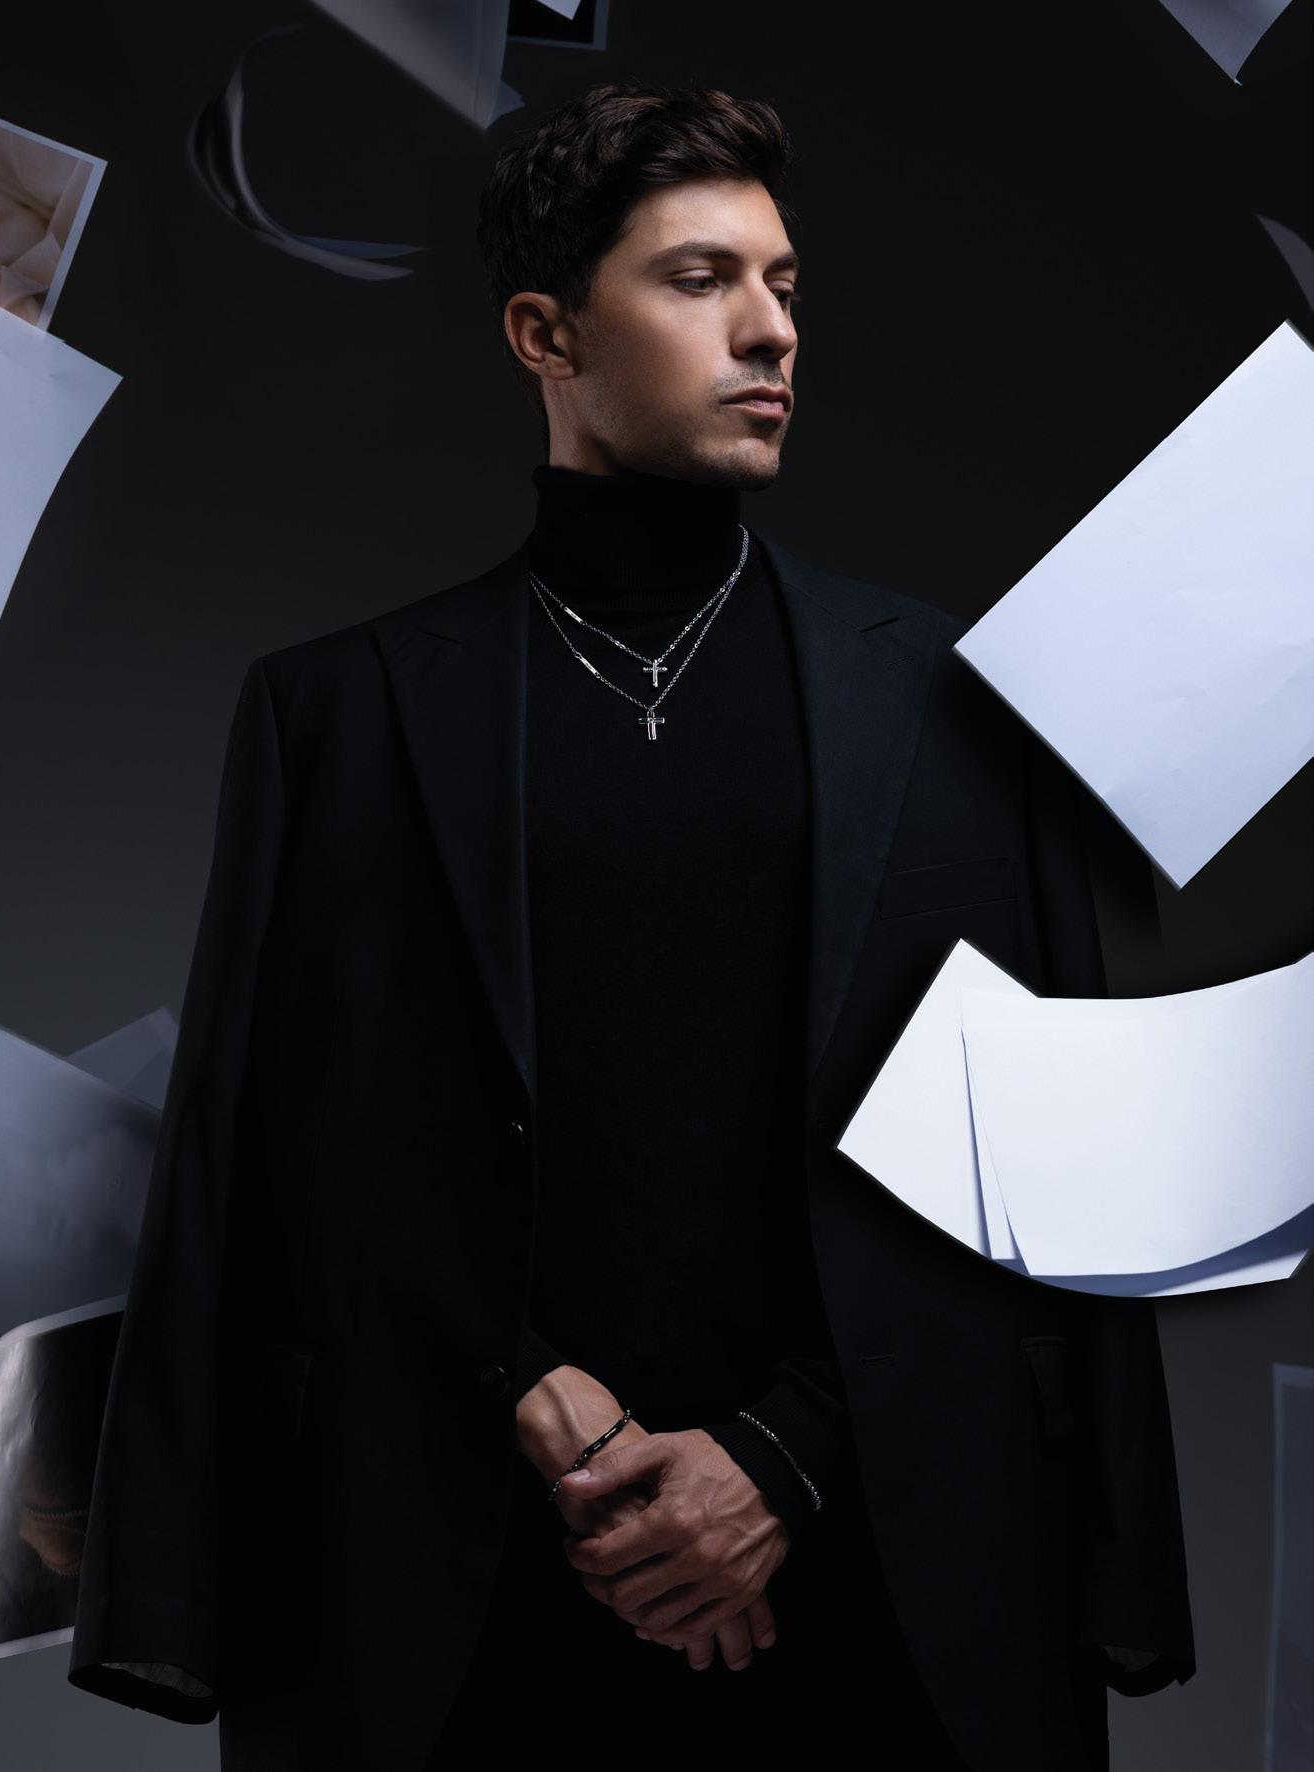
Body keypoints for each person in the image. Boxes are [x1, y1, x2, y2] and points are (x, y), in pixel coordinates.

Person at [67, 82, 1194, 1770]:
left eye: (784, 283)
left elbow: (1037, 1162)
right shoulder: (341, 715)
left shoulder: (955, 700)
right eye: (698, 278)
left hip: (891, 1587)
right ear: (545, 333)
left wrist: (783, 1455)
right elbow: (270, 1158)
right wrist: (533, 1393)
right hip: (450, 1596)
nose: (771, 330)